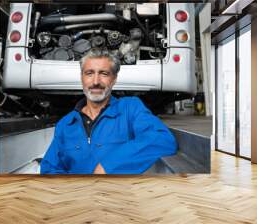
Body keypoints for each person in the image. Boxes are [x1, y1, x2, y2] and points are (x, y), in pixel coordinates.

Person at [40, 49, 177, 174]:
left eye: (104, 74)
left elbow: (162, 139)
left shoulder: (130, 108)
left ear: (114, 79)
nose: (95, 81)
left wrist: (108, 166)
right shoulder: (65, 124)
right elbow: (49, 169)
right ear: (82, 78)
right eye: (89, 73)